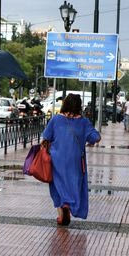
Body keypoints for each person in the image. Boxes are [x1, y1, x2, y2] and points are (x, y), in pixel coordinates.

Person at [41, 94, 101, 226]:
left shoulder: (56, 119)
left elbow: (45, 137)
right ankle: (68, 205)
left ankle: (62, 211)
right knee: (74, 184)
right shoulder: (84, 122)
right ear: (79, 106)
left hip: (57, 160)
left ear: (65, 104)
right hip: (75, 161)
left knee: (57, 185)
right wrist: (88, 140)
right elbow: (96, 137)